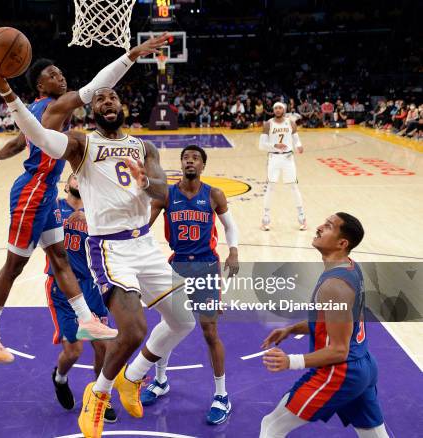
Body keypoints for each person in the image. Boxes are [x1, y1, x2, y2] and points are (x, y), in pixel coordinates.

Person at [0, 54, 196, 438]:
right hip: (110, 250)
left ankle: (133, 378)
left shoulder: (145, 149)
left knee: (184, 321)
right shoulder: (81, 144)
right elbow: (38, 135)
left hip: (144, 245)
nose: (109, 101)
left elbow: (164, 192)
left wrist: (146, 183)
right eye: (101, 99)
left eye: (114, 98)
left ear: (122, 106)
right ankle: (98, 397)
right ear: (92, 109)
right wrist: (6, 92)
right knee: (132, 331)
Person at [0, 34, 171, 363]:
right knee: (14, 266)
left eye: (61, 72)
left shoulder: (36, 110)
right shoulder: (54, 105)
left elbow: (21, 143)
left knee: (60, 259)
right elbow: (95, 87)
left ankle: (86, 320)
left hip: (45, 190)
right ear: (39, 86)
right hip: (32, 192)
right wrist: (130, 56)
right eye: (52, 74)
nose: (60, 76)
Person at [259, 213, 389, 438]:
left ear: (342, 243)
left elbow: (339, 349)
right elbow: (330, 320)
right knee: (373, 434)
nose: (319, 227)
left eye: (328, 226)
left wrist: (292, 361)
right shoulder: (350, 268)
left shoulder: (334, 286)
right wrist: (292, 329)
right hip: (363, 366)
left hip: (339, 373)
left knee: (271, 425)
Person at [140, 145, 239, 425]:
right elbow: (143, 226)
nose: (190, 161)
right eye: (186, 158)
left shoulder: (214, 194)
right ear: (181, 164)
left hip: (206, 265)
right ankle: (160, 381)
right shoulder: (167, 195)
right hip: (177, 264)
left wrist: (234, 252)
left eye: (195, 158)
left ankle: (222, 395)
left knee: (209, 331)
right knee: (168, 325)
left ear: (203, 166)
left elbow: (230, 226)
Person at [46, 174, 116, 423]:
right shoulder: (53, 208)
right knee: (74, 351)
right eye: (74, 177)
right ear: (67, 185)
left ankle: (100, 395)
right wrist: (66, 222)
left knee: (103, 347)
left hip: (91, 286)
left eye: (82, 178)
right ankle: (60, 378)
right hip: (62, 286)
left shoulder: (96, 211)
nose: (78, 180)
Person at [259, 102, 307, 231]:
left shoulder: (291, 122)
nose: (278, 110)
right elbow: (262, 145)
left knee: (293, 186)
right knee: (270, 187)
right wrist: (275, 145)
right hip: (274, 158)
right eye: (276, 108)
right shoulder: (268, 124)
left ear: (284, 109)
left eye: (280, 108)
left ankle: (302, 217)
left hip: (288, 158)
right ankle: (265, 218)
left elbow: (296, 139)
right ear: (273, 110)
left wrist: (299, 146)